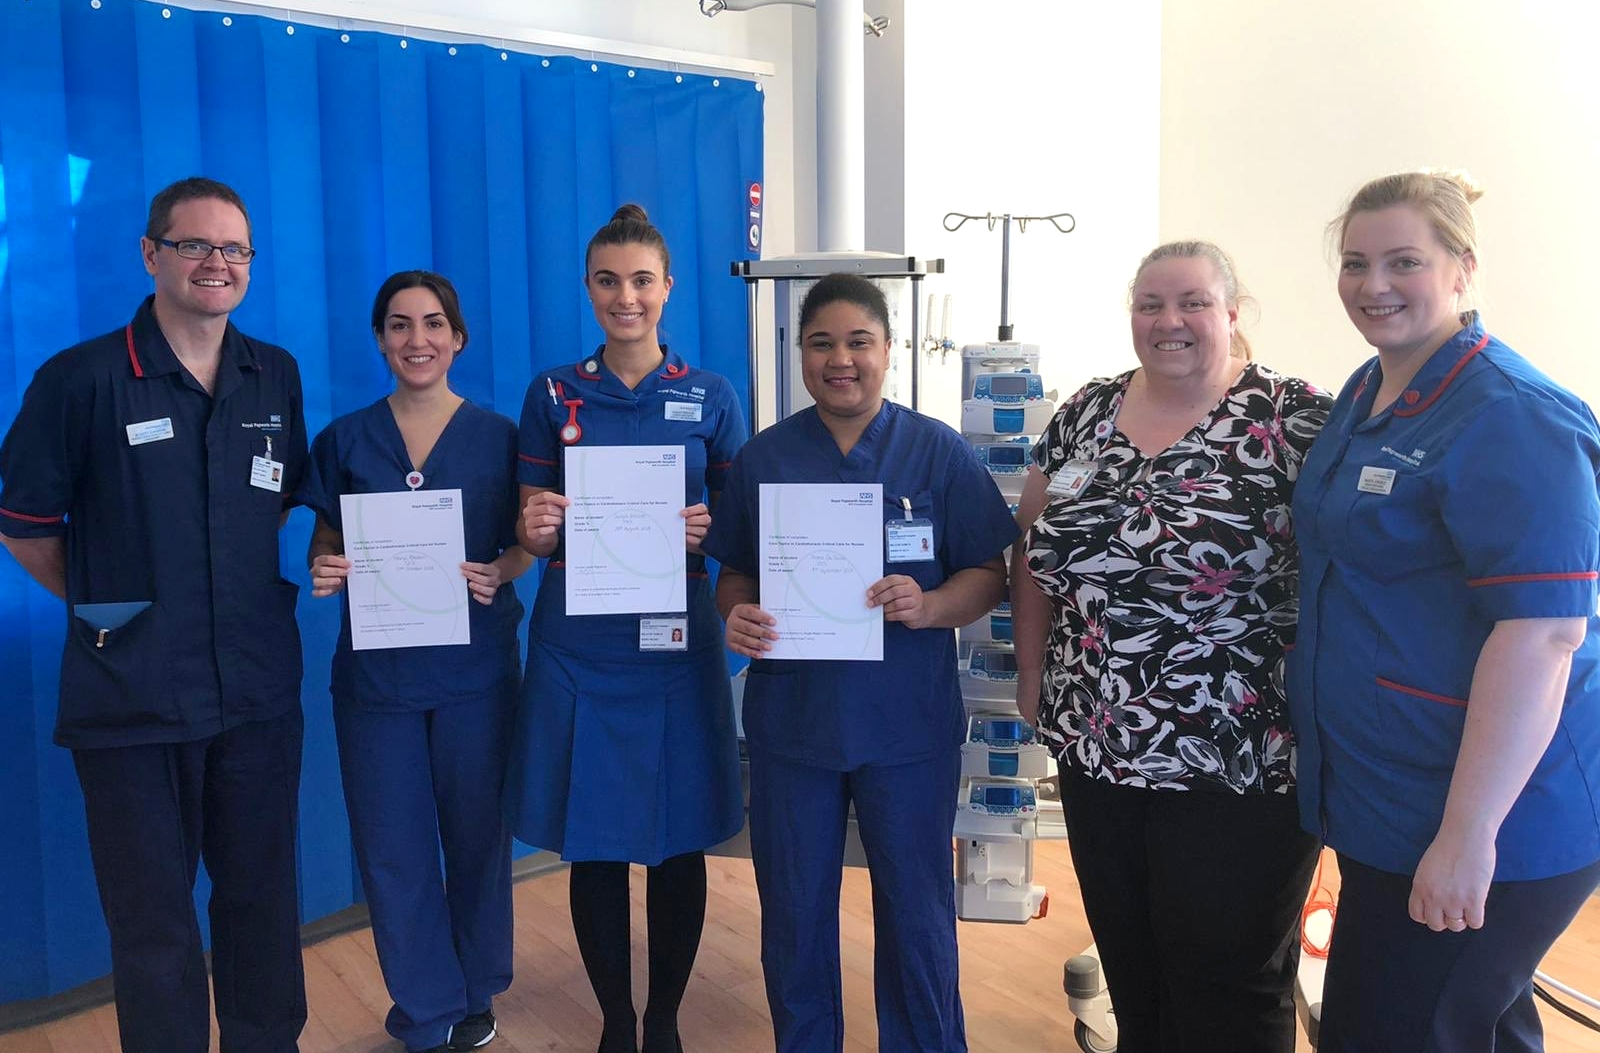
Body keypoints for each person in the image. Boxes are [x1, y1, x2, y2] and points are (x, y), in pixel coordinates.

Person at [1289, 170, 1600, 1052]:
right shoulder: (1369, 391)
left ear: (1463, 269)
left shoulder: (1515, 415)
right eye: (1355, 263)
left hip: (1489, 815)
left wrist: (1467, 838)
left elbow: (1543, 634)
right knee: (1473, 1024)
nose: (1373, 284)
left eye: (1403, 262)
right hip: (1391, 797)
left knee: (1395, 1032)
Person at [0, 177, 308, 1053]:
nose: (217, 263)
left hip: (255, 696)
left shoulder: (272, 374)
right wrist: (112, 608)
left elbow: (275, 505)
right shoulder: (81, 379)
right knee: (155, 926)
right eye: (195, 245)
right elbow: (23, 526)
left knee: (260, 903)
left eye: (234, 249)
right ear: (151, 254)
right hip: (129, 701)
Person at [1011, 241, 1331, 1053]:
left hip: (1242, 752)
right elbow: (1032, 552)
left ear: (1232, 312)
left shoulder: (1295, 418)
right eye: (1150, 304)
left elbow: (1359, 562)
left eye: (1191, 302)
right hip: (1099, 744)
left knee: (1229, 972)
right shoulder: (1086, 411)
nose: (1169, 321)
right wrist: (1030, 673)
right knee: (1134, 963)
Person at [701, 272, 1017, 1053]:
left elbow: (990, 572)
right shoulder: (765, 458)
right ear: (800, 353)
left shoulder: (935, 451)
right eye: (822, 343)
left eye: (858, 342)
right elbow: (734, 571)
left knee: (916, 909)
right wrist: (733, 613)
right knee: (795, 909)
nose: (840, 359)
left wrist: (931, 605)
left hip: (905, 722)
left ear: (888, 349)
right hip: (794, 724)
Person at [504, 204, 747, 1053]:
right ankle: (614, 1020)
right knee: (596, 839)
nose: (625, 297)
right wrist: (533, 530)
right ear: (588, 287)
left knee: (678, 838)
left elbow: (737, 522)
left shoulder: (711, 394)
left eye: (641, 280)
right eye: (608, 280)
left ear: (667, 287)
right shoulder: (551, 392)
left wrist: (706, 528)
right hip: (581, 645)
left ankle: (667, 1019)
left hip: (677, 642)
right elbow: (528, 520)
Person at [300, 271, 528, 1053]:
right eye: (399, 325)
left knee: (476, 836)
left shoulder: (501, 438)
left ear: (458, 337)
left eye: (433, 324)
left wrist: (502, 570)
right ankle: (425, 1009)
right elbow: (327, 535)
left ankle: (473, 992)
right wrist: (325, 565)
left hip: (476, 674)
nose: (417, 339)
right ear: (379, 339)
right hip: (378, 681)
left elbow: (528, 538)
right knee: (393, 847)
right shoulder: (345, 439)